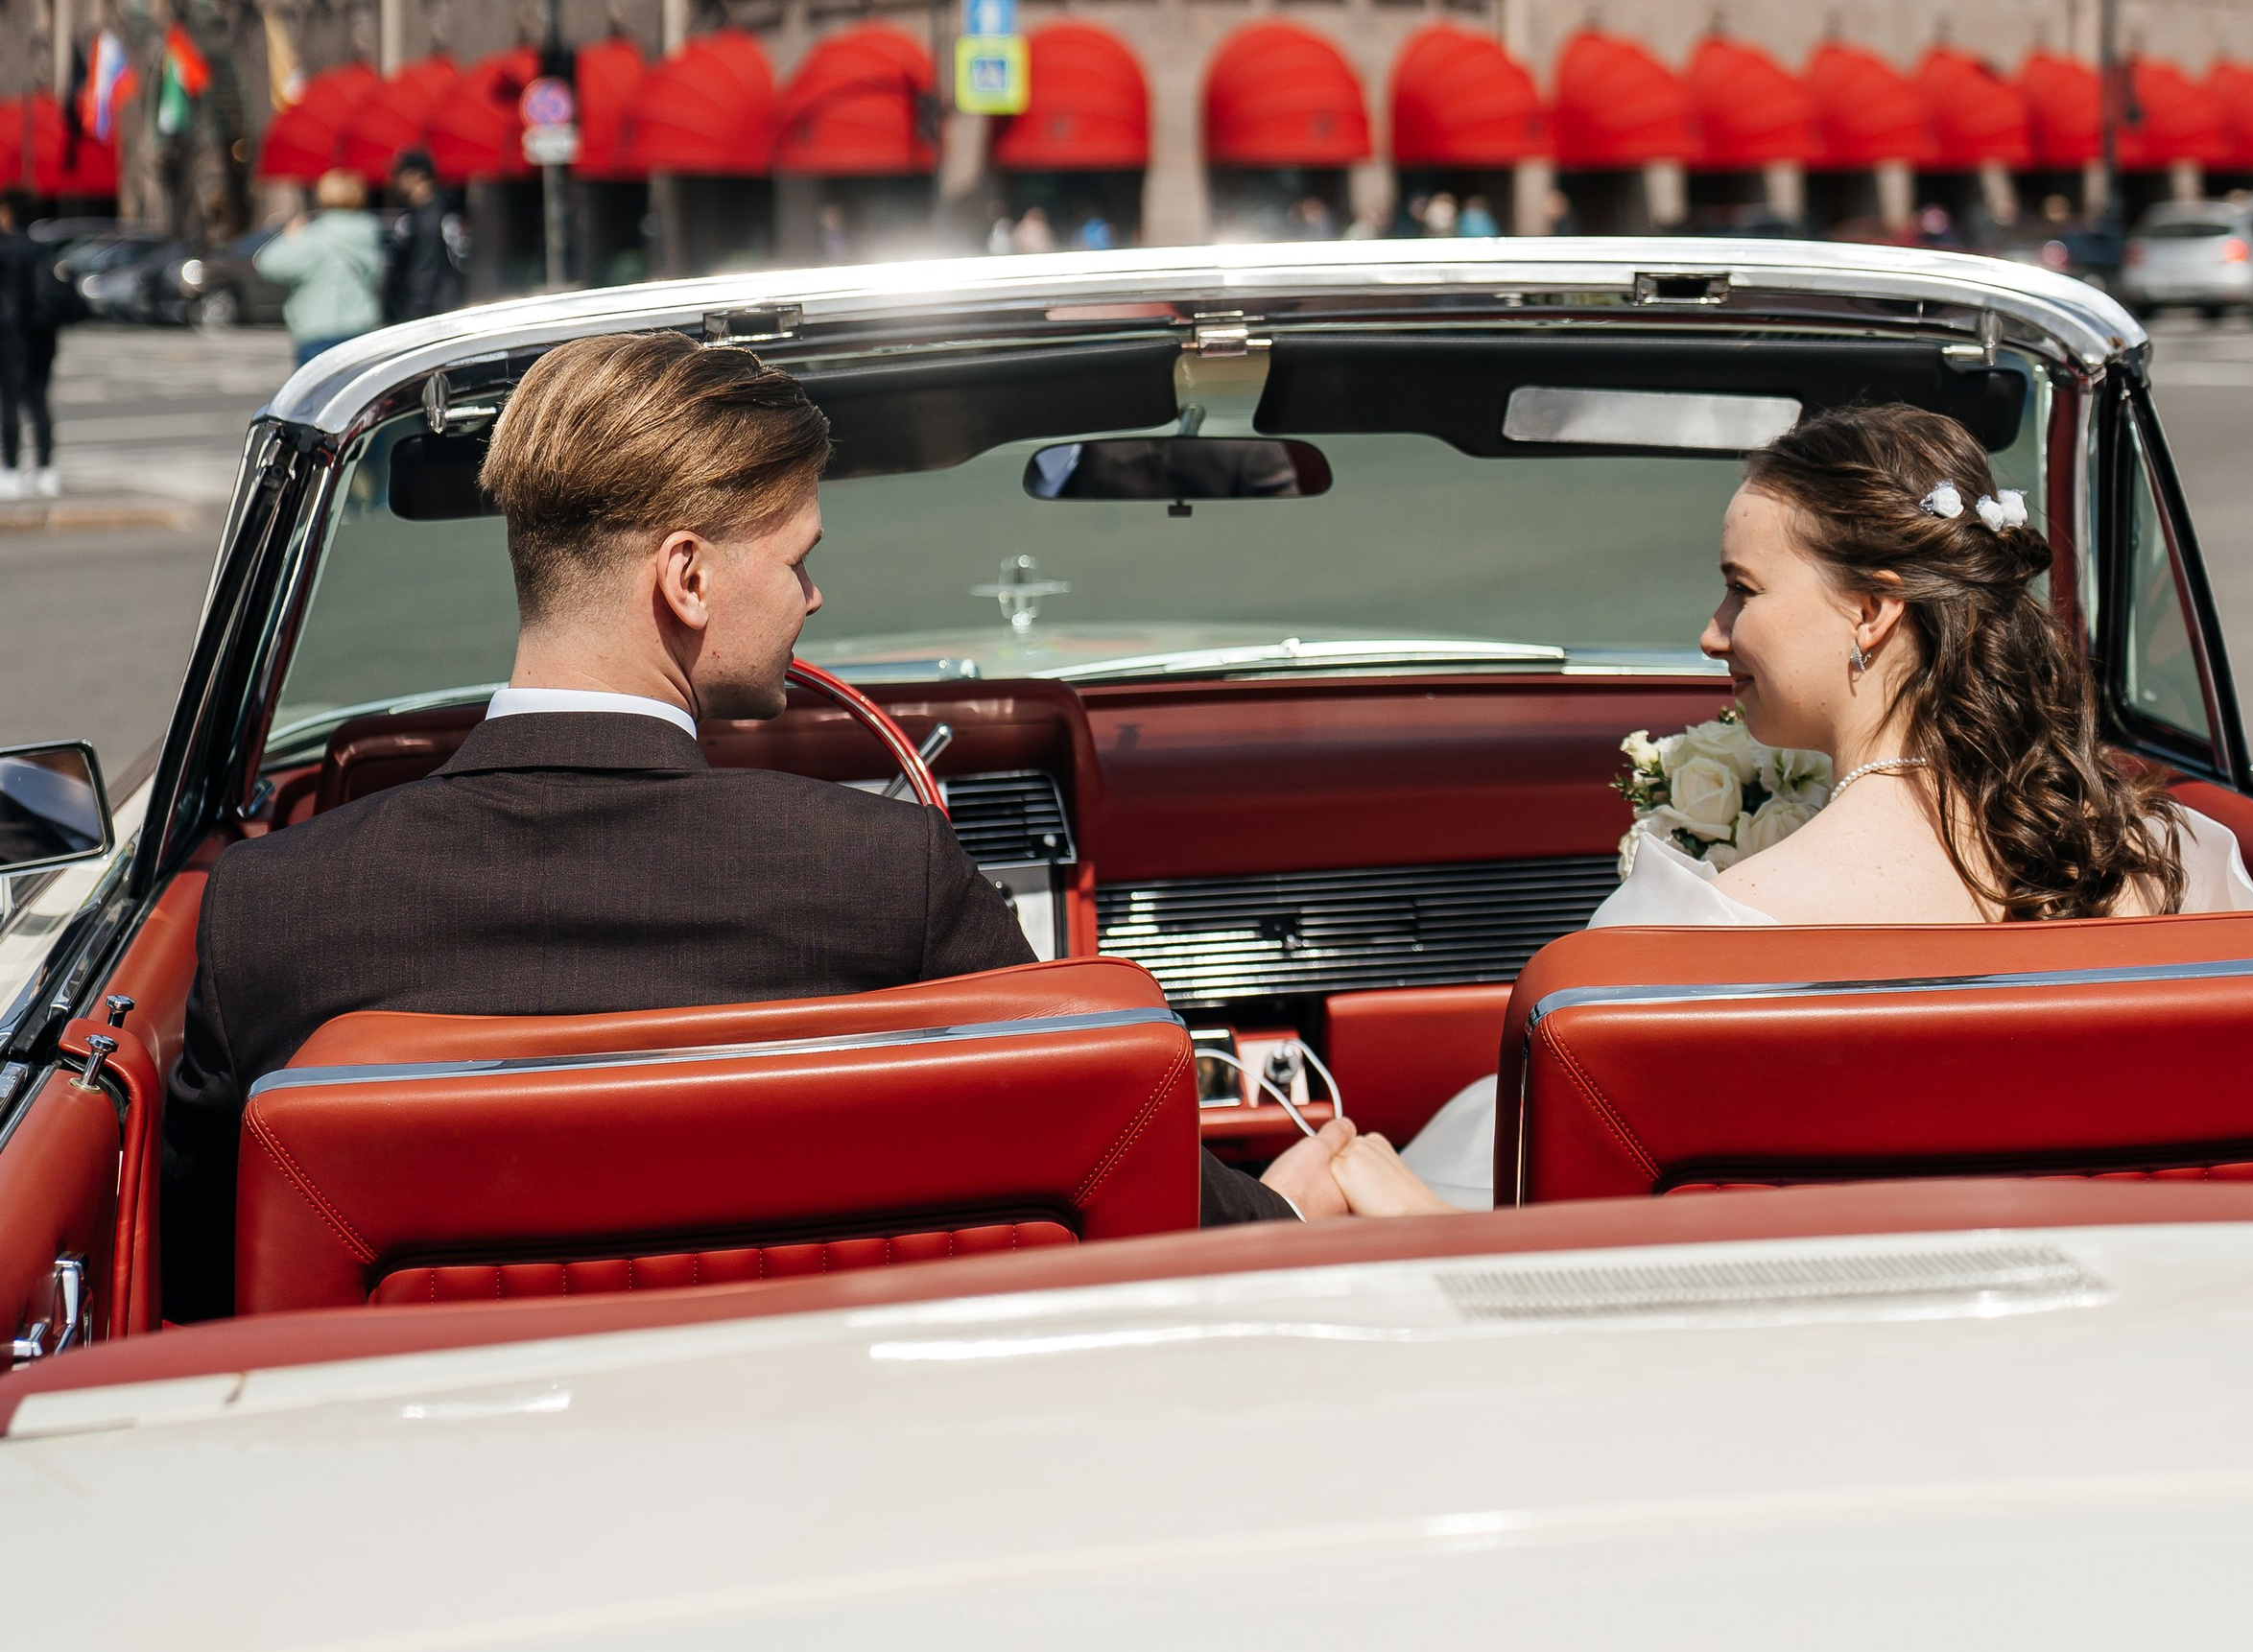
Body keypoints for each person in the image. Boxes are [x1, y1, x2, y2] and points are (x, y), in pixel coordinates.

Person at [160, 333, 1359, 1316]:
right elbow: (1101, 1168)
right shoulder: (874, 876)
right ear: (685, 578)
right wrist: (1298, 1205)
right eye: (796, 560)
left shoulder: (274, 911)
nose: (814, 596)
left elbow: (202, 1288)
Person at [1345, 400, 2253, 1215]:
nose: (1712, 633)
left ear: (1871, 611)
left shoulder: (1687, 932)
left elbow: (1580, 1254)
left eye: (1742, 589)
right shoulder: (2181, 863)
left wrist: (1383, 1206)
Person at [257, 168, 385, 363]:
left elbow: (268, 264)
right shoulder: (369, 233)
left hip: (317, 330)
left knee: (319, 392)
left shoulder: (315, 237)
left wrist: (290, 237)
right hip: (359, 329)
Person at [0, 192, 61, 500]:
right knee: (38, 401)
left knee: (9, 402)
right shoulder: (42, 249)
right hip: (44, 334)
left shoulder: (6, 248)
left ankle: (10, 469)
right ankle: (46, 470)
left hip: (11, 335)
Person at [379, 147, 464, 329]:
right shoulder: (439, 211)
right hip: (440, 309)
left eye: (399, 175)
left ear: (417, 176)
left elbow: (425, 273)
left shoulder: (428, 218)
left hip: (428, 317)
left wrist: (412, 319)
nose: (395, 182)